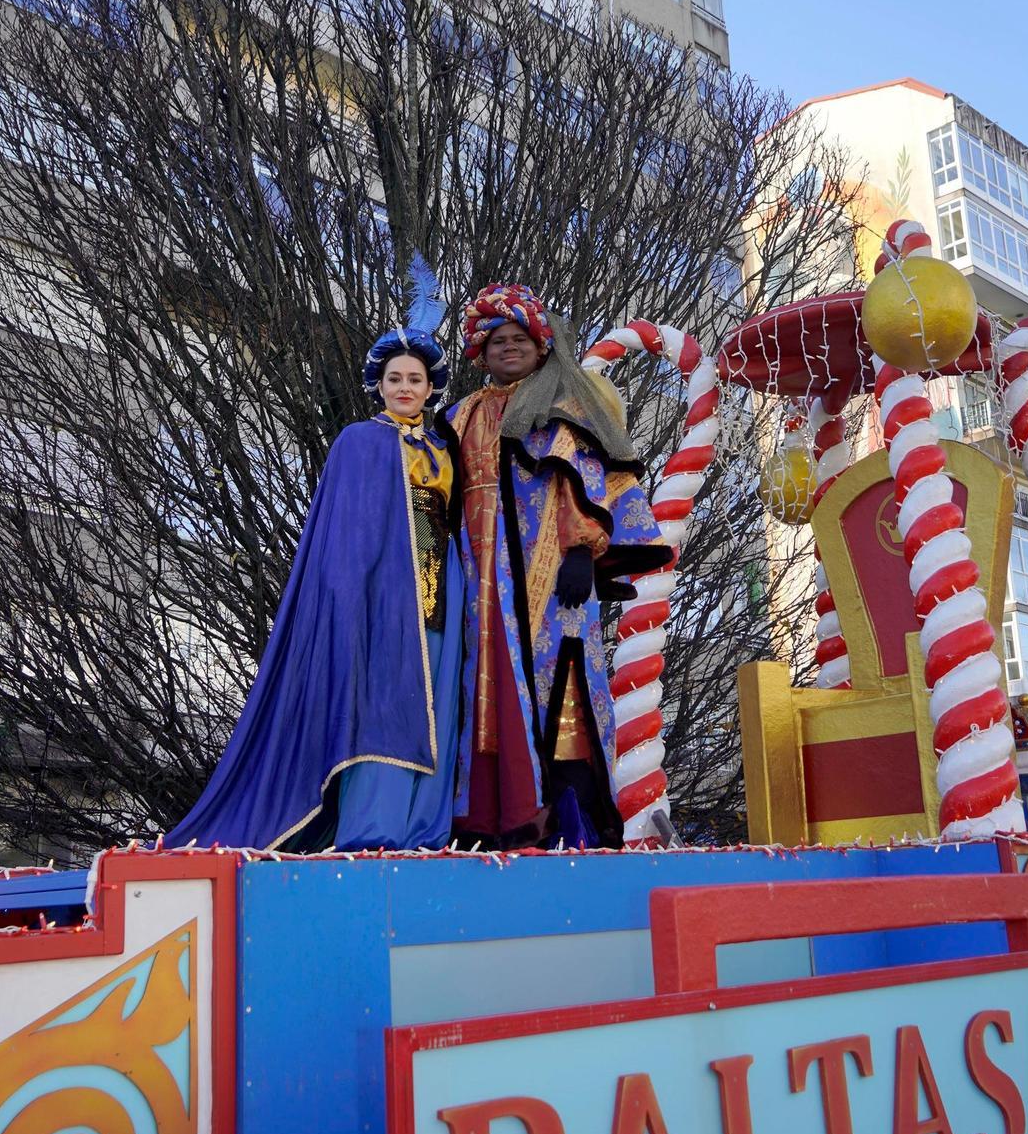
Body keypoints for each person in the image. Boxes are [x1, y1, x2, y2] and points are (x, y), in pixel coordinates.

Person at [165, 280, 463, 852]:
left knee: (435, 699)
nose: (405, 387)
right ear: (379, 385)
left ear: (430, 388)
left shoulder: (444, 447)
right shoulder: (358, 441)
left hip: (440, 582)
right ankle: (373, 829)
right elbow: (346, 536)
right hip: (381, 592)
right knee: (384, 701)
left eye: (415, 379)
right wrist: (354, 597)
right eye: (394, 378)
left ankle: (424, 827)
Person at [436, 282, 670, 848]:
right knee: (475, 694)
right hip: (474, 580)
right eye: (497, 341)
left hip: (550, 582)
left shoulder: (562, 406)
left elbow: (586, 476)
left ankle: (574, 823)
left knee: (564, 691)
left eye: (520, 339)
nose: (508, 348)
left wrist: (580, 552)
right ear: (480, 353)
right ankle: (490, 822)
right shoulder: (459, 414)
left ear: (542, 347)